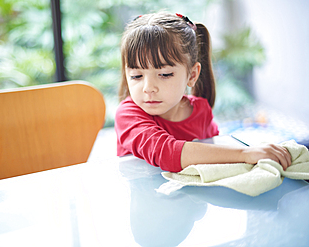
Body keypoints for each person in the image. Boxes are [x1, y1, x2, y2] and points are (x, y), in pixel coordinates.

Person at [115, 12, 291, 173]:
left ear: (192, 75)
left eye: (164, 74)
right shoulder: (127, 115)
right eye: (136, 76)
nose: (148, 87)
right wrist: (246, 153)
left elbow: (215, 157)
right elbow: (167, 153)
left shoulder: (201, 110)